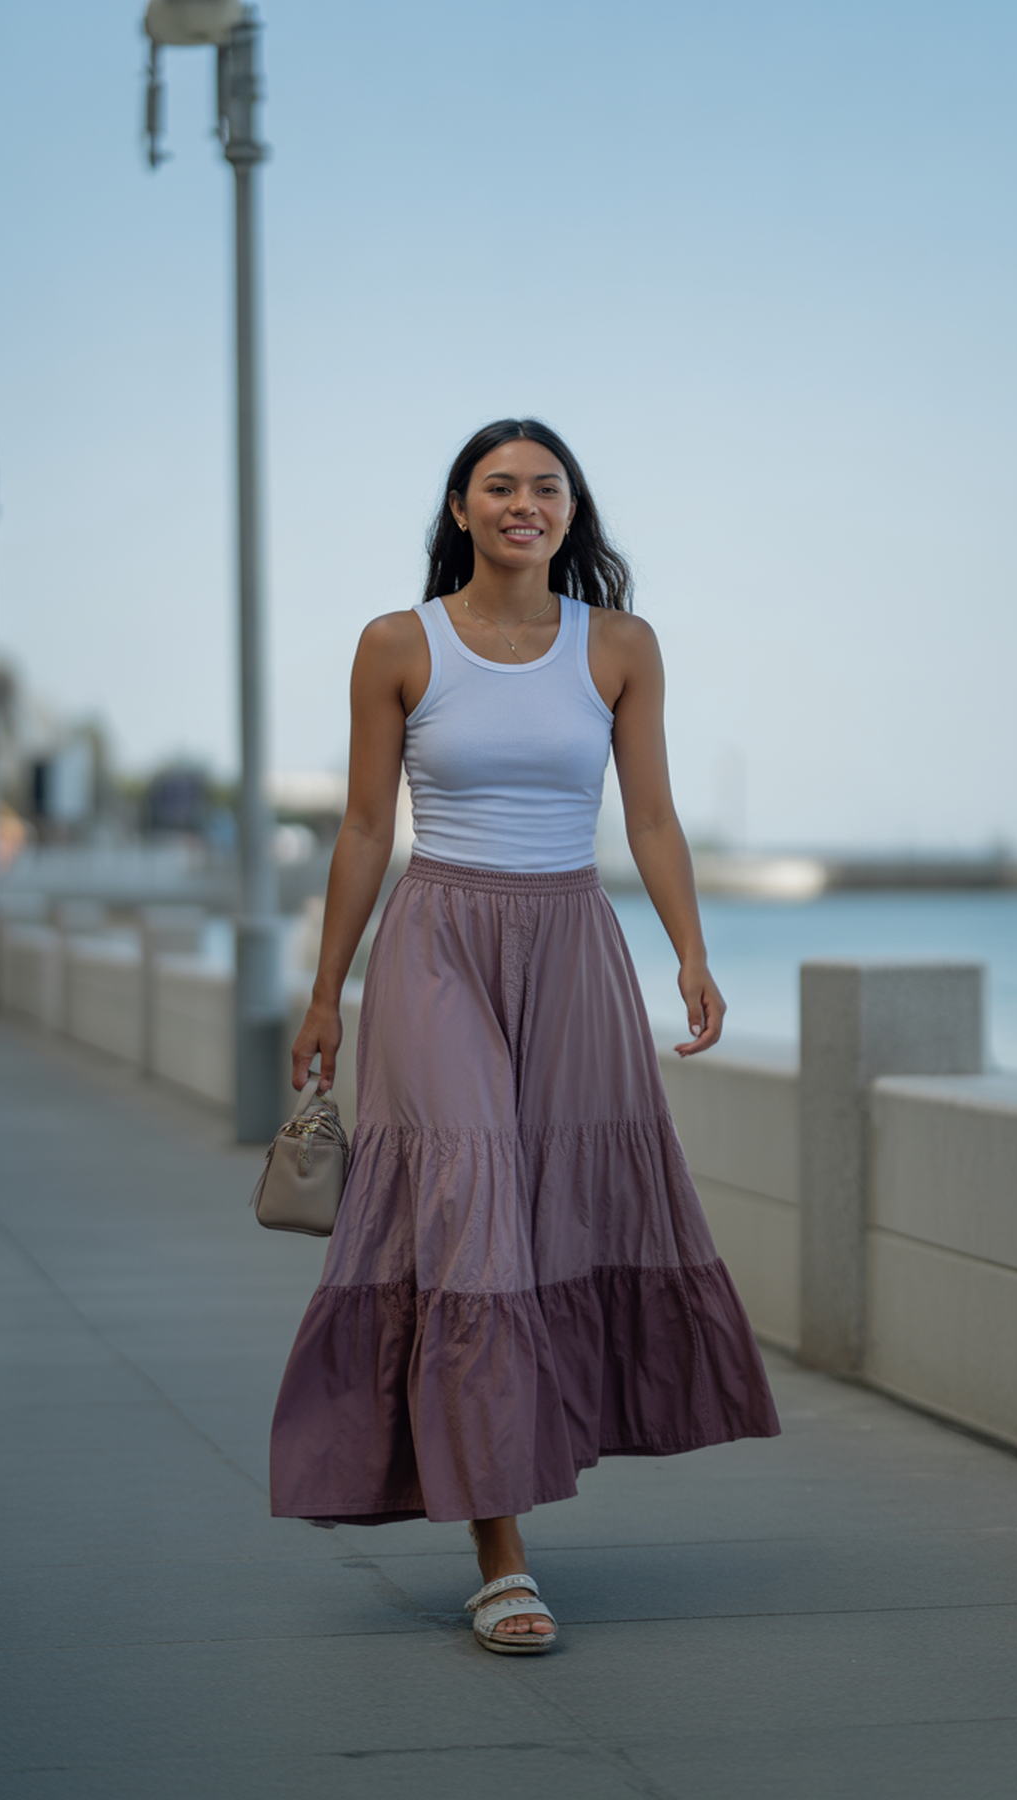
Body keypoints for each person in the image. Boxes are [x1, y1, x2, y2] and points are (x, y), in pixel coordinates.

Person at [271, 418, 780, 1654]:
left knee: (550, 1212)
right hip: (437, 941)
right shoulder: (400, 644)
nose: (523, 503)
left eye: (546, 487)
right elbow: (359, 827)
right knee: (471, 1211)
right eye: (499, 485)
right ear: (459, 508)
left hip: (572, 947)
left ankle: (515, 1477)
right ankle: (501, 1556)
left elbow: (650, 820)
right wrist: (325, 989)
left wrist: (692, 953)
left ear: (569, 510)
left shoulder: (619, 647)